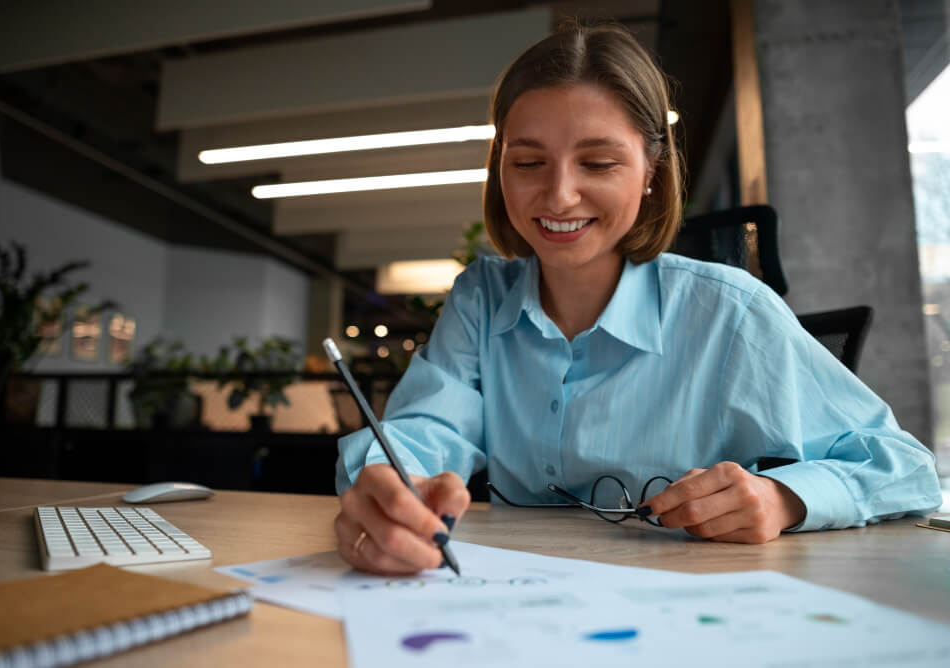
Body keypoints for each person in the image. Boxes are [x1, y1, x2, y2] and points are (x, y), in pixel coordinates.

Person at [332, 22, 943, 575]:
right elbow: (428, 427)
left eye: (597, 162)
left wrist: (781, 497)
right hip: (516, 595)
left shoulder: (729, 311)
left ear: (651, 170)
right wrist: (390, 483)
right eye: (527, 162)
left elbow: (906, 468)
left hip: (682, 605)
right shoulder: (482, 298)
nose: (560, 195)